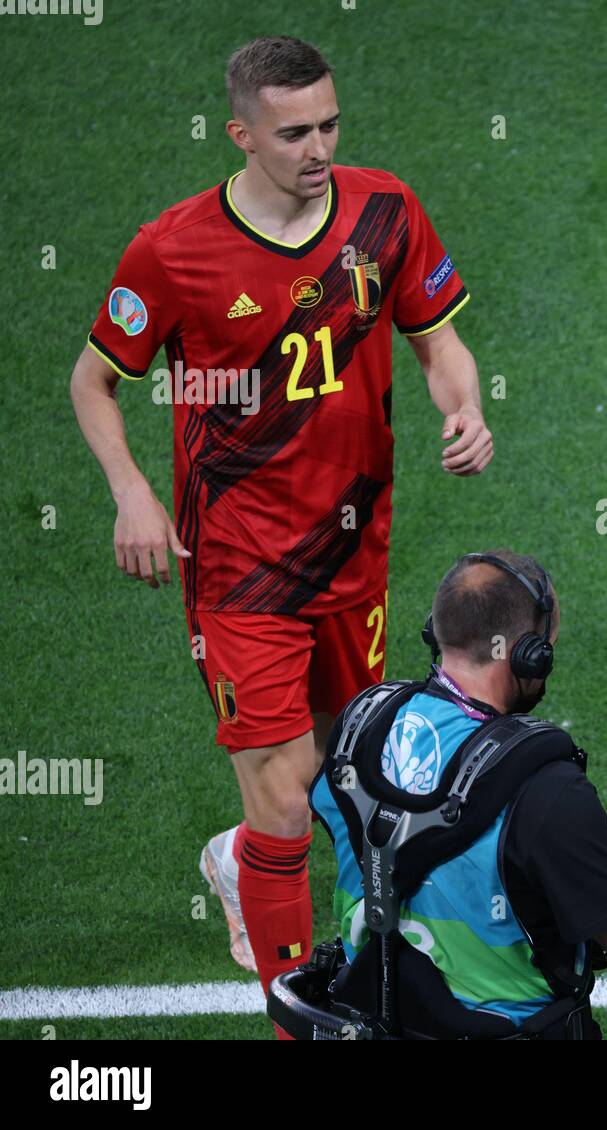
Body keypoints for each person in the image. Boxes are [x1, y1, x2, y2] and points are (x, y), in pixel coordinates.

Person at [68, 36, 493, 1024]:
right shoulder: (172, 249)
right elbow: (93, 379)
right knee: (284, 786)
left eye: (330, 124)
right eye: (294, 131)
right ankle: (294, 1013)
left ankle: (235, 862)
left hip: (354, 553)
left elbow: (439, 341)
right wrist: (130, 489)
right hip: (239, 567)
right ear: (242, 134)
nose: (318, 147)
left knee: (353, 776)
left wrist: (461, 408)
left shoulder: (384, 211)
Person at [310, 550, 607, 1037]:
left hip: (377, 1018)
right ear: (527, 653)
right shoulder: (547, 788)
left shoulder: (360, 723)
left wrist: (567, 883)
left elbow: (397, 850)